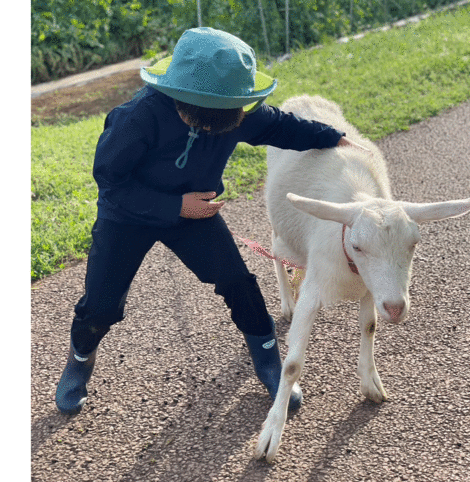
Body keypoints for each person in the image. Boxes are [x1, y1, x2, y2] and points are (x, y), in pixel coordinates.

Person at [55, 27, 366, 415]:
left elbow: (282, 126)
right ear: (179, 96)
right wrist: (174, 206)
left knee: (238, 283)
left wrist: (336, 138)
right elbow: (110, 184)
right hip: (127, 216)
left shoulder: (235, 111)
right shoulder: (135, 119)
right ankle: (79, 361)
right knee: (100, 305)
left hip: (195, 215)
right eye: (198, 121)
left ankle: (268, 362)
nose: (205, 129)